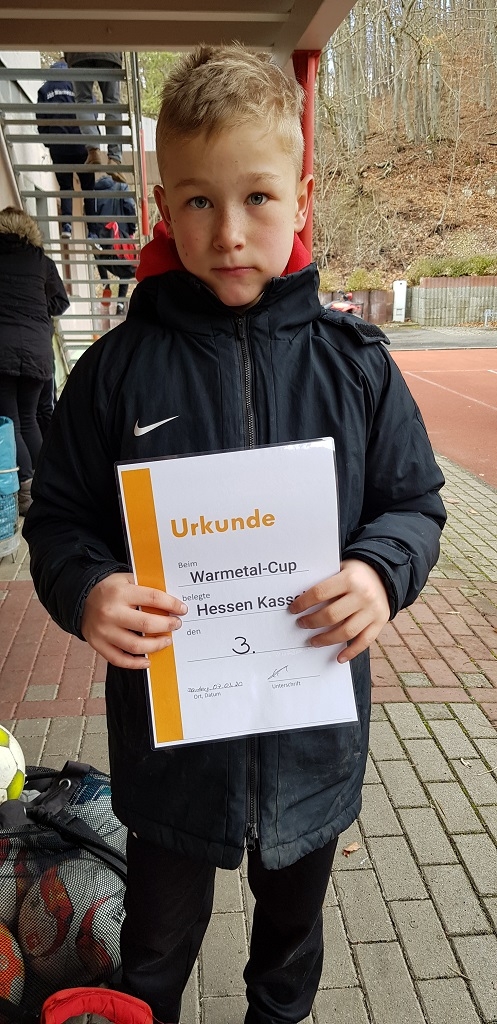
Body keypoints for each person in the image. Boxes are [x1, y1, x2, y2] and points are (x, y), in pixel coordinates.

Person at [24, 45, 446, 1024]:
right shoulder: (115, 373)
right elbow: (57, 519)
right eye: (199, 201)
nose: (227, 232)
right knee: (154, 950)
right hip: (170, 754)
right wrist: (87, 588)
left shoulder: (356, 367)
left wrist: (378, 573)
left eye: (256, 197)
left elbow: (415, 504)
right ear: (162, 208)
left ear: (300, 200)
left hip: (311, 747)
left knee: (288, 956)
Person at [0, 207, 69, 515]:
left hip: (3, 350)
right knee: (29, 419)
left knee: (11, 421)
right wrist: (37, 305)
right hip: (37, 350)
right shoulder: (41, 261)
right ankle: (45, 485)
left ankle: (26, 490)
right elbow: (61, 302)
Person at [37, 60, 97, 239]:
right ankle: (93, 231)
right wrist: (92, 139)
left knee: (65, 187)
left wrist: (48, 141)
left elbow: (41, 118)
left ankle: (67, 226)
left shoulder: (45, 89)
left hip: (59, 146)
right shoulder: (79, 84)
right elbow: (92, 112)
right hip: (81, 145)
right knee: (88, 188)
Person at [64, 52, 126, 180]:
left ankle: (93, 151)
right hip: (109, 52)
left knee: (83, 101)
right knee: (112, 103)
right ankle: (114, 159)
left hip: (78, 53)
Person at [89, 173, 137, 316]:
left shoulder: (93, 190)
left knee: (100, 256)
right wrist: (132, 229)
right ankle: (120, 304)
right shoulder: (122, 186)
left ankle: (106, 283)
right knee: (125, 262)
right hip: (120, 232)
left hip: (102, 233)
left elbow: (90, 212)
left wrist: (94, 232)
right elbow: (129, 206)